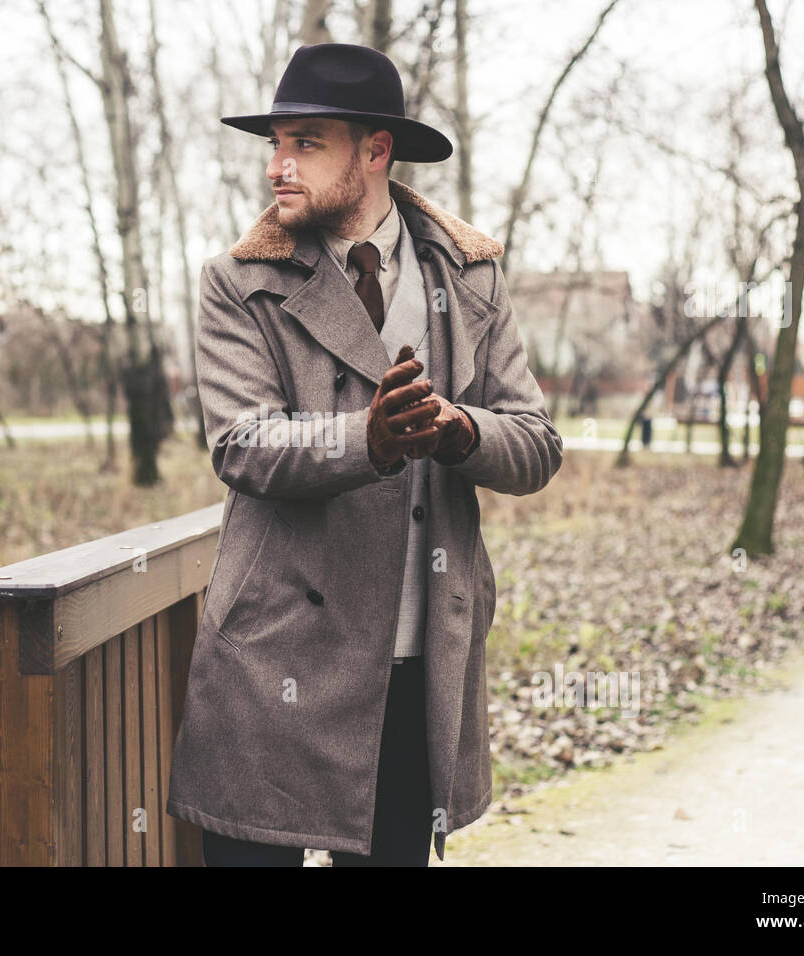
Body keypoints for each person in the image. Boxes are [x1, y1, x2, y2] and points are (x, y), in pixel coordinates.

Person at [165, 42, 563, 866]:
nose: (279, 165)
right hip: (273, 657)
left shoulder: (472, 274)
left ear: (375, 150)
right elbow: (244, 443)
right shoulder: (240, 282)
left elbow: (536, 442)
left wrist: (459, 430)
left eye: (306, 141)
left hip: (417, 659)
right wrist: (370, 441)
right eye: (275, 143)